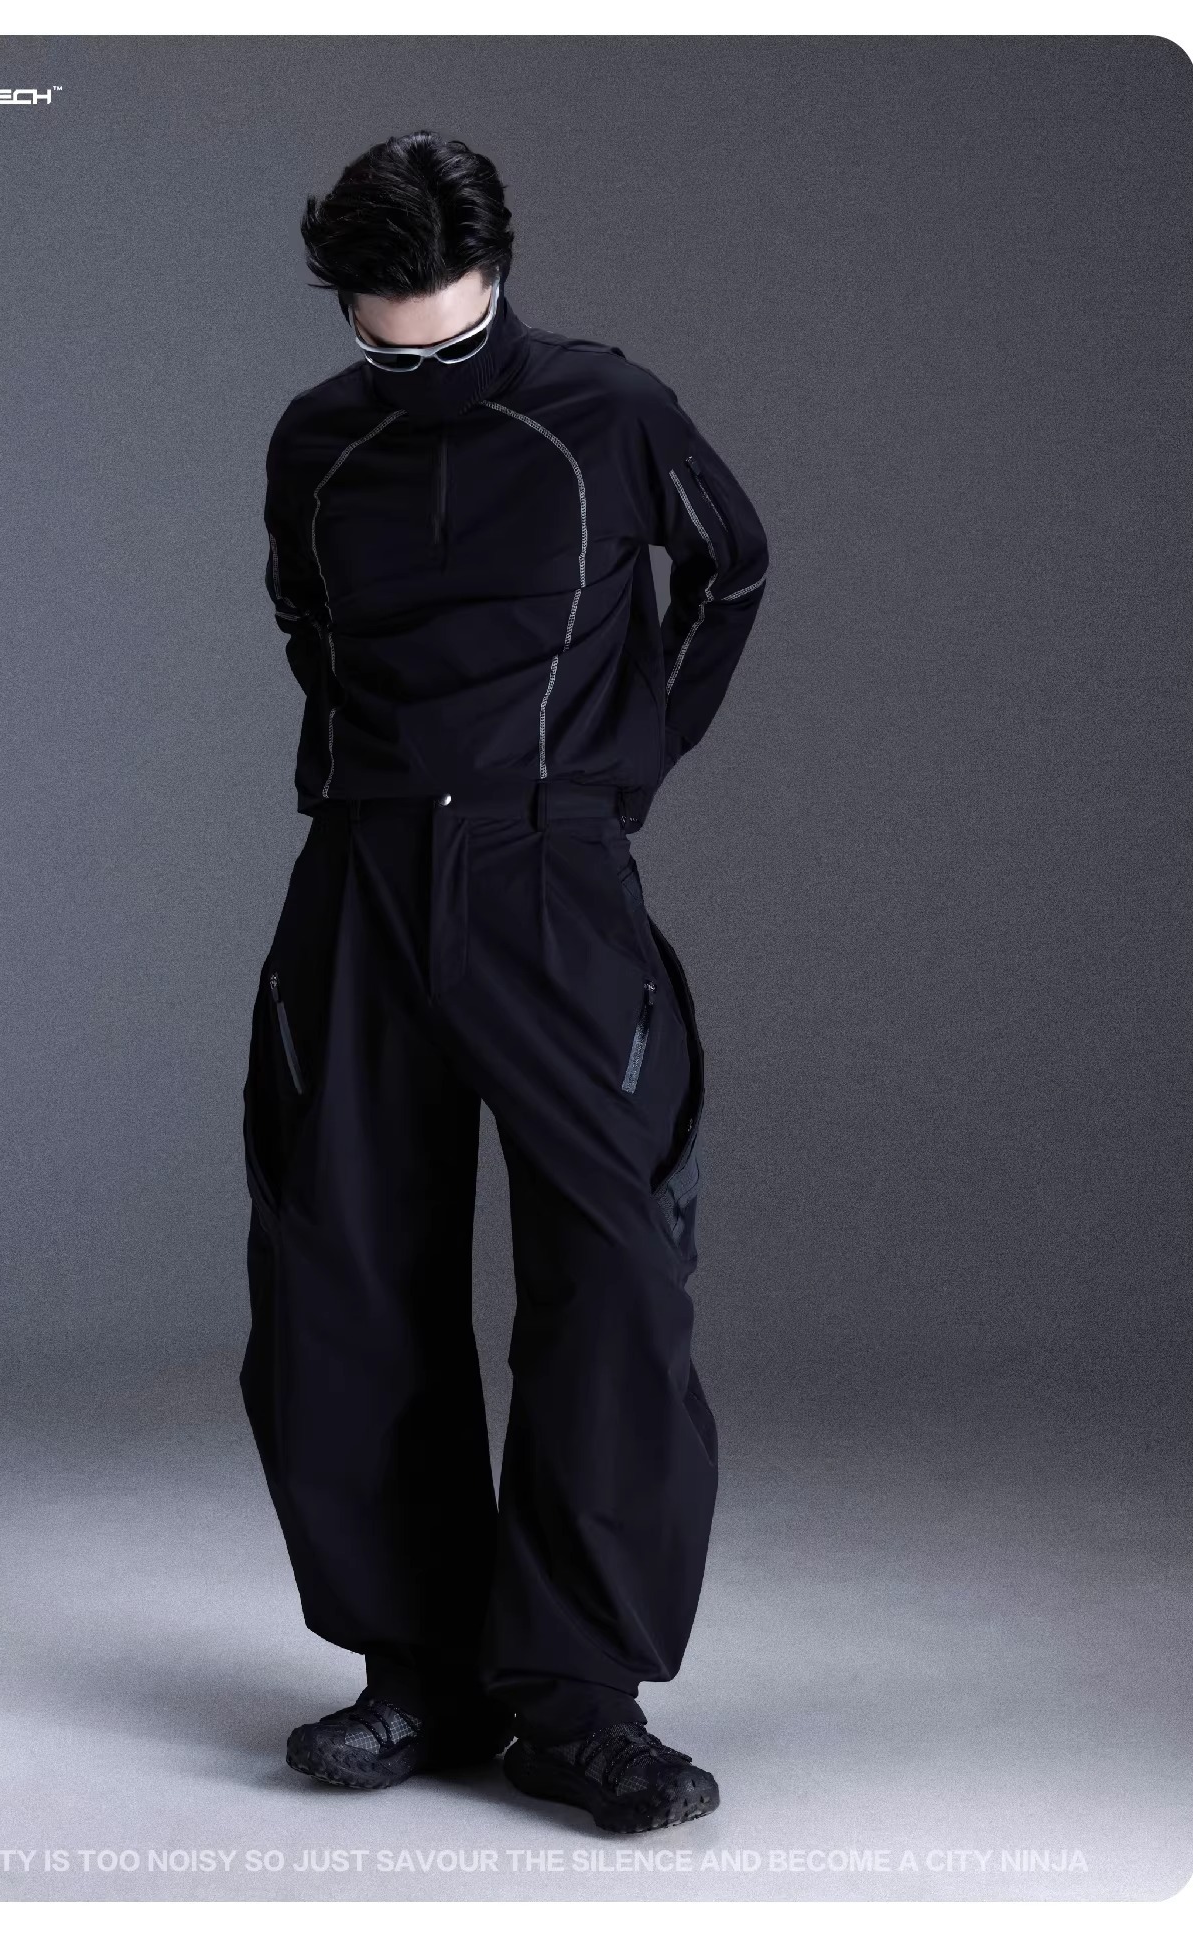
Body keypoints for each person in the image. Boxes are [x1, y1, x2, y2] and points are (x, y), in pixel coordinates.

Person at [240, 129, 769, 1835]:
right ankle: (419, 1668)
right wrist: (376, 778)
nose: (418, 351)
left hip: (550, 875)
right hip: (362, 876)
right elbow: (306, 622)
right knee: (337, 1268)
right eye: (383, 331)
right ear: (342, 304)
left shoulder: (606, 408)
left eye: (448, 325)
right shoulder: (315, 438)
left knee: (613, 1273)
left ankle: (573, 1695)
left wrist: (621, 765)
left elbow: (732, 565)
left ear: (497, 270)